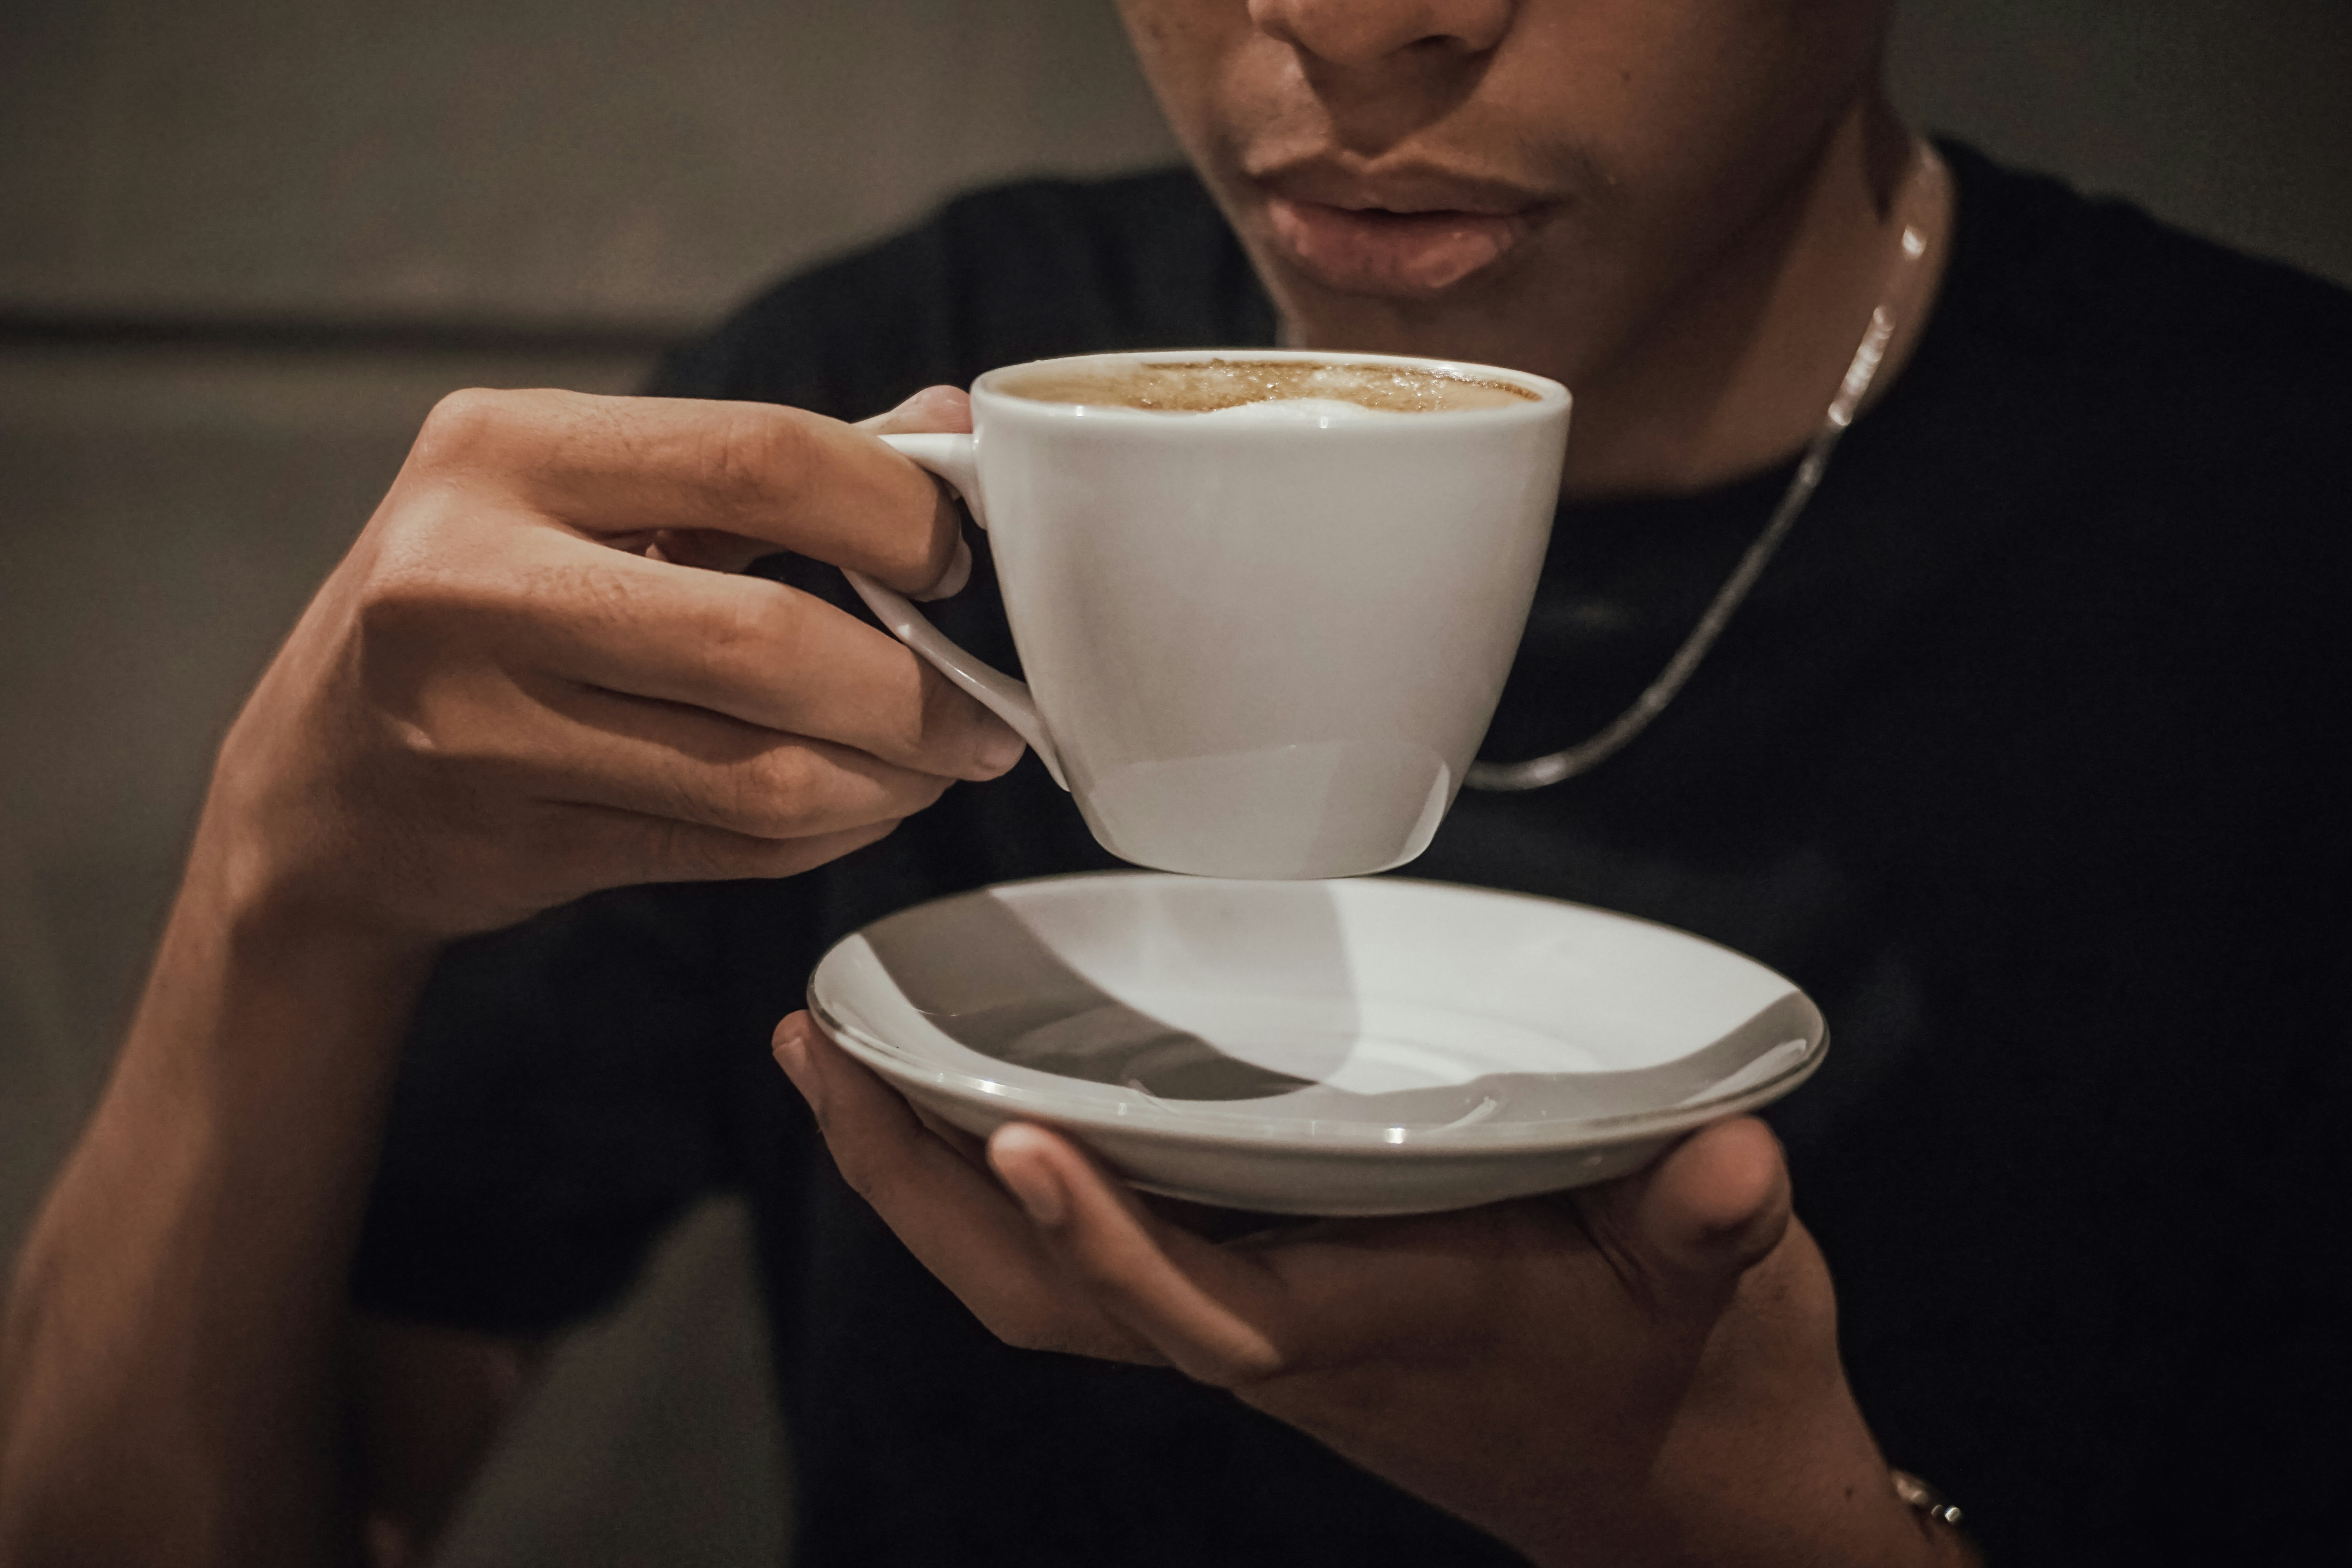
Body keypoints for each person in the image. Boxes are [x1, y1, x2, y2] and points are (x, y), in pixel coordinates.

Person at [3, 1, 2345, 1563]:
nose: (1339, 11)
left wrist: (1758, 1530)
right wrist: (279, 899)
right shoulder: (857, 430)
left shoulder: (2271, 540)